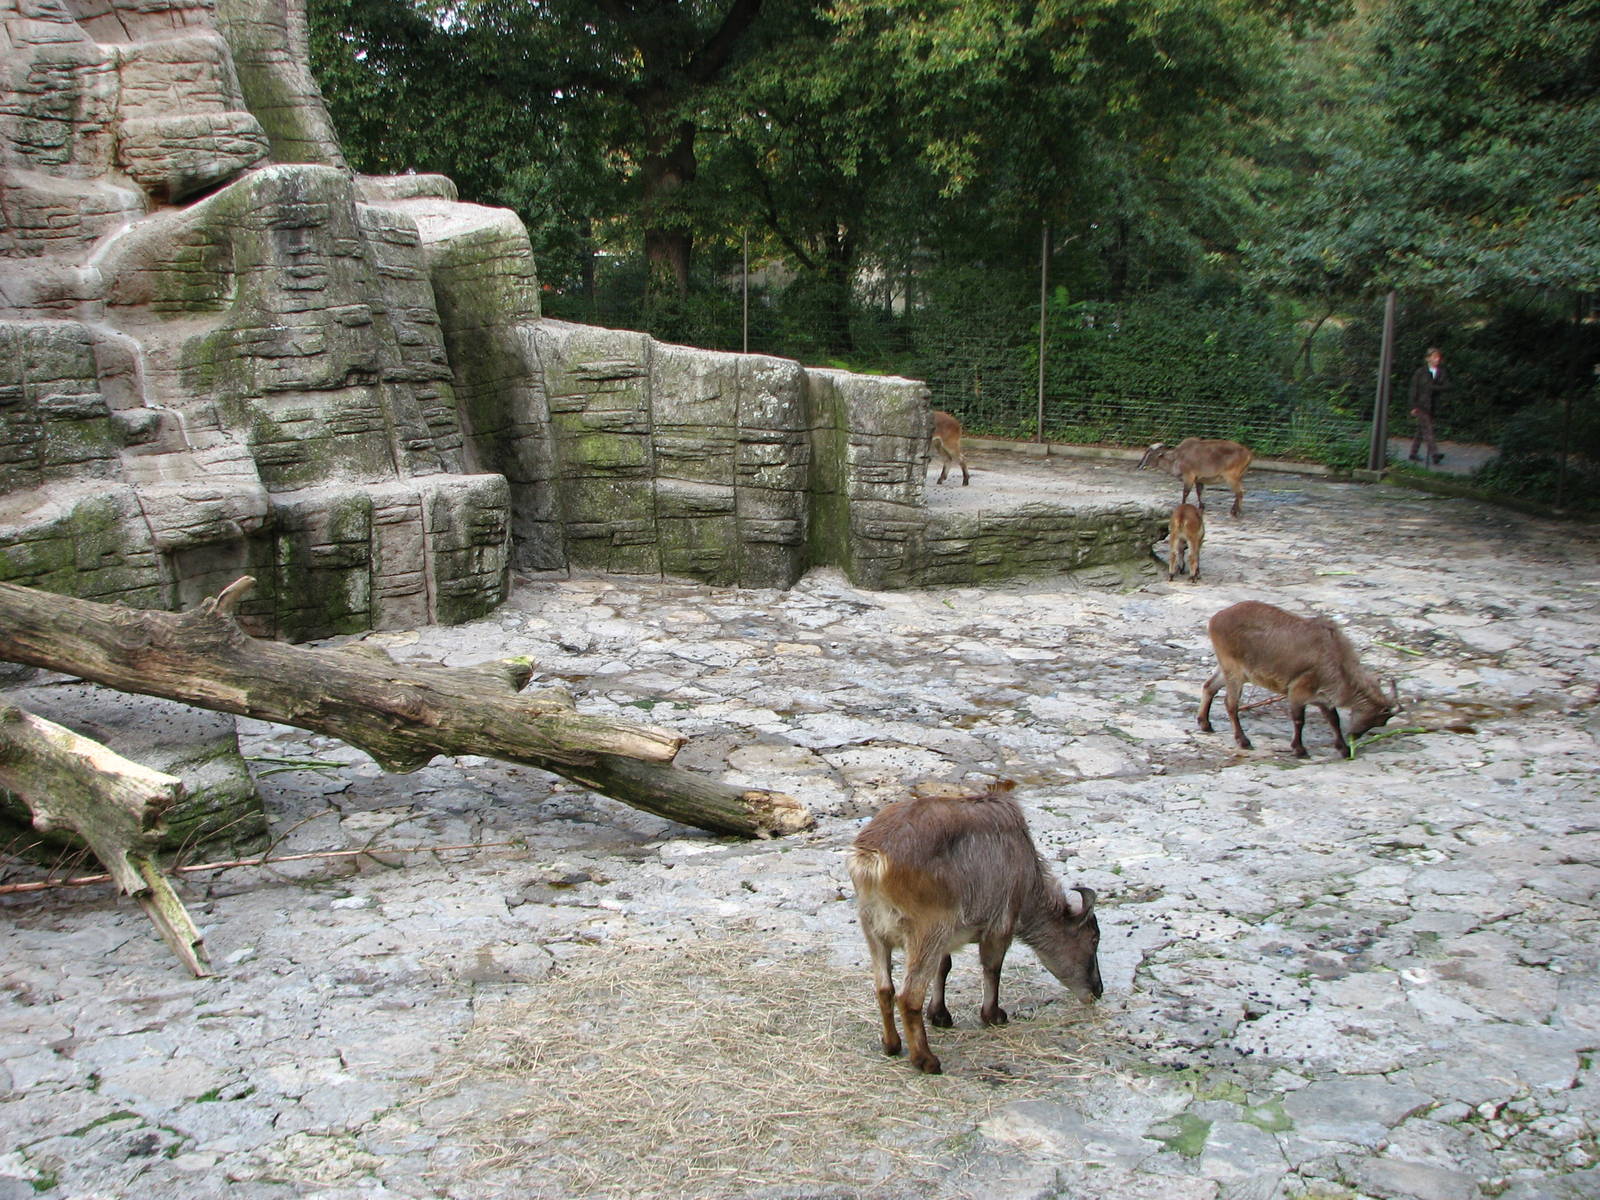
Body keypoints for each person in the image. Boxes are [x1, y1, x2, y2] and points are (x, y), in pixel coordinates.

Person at [1408, 347, 1449, 465]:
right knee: (1428, 429)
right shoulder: (1420, 372)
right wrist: (1413, 406)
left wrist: (1434, 388)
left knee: (1421, 430)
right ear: (1428, 359)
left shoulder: (1441, 372)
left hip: (1433, 405)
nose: (1437, 359)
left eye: (1438, 357)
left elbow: (1447, 386)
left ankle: (1413, 453)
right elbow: (1413, 389)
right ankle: (1434, 454)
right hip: (1421, 405)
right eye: (1434, 357)